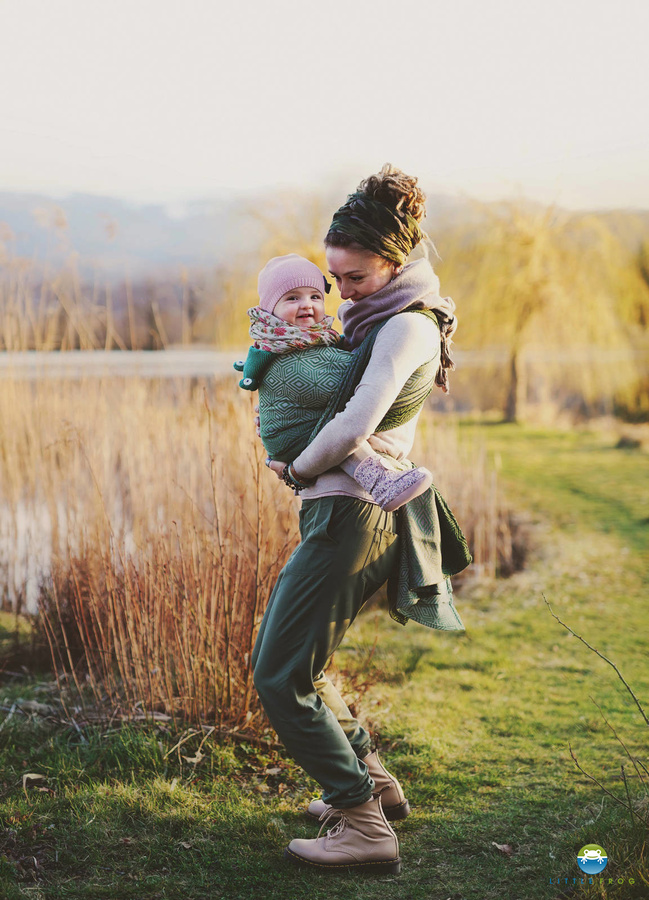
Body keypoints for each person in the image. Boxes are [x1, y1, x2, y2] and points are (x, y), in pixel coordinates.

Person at [251, 165, 470, 874]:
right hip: (343, 514)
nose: (339, 297)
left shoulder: (404, 327)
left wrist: (295, 468)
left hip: (353, 515)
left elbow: (354, 423)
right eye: (331, 281)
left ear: (395, 261)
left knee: (280, 674)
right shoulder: (379, 319)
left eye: (351, 281)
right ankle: (371, 785)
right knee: (303, 667)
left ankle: (363, 826)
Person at [234, 252, 434, 511]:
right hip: (292, 434)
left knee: (336, 427)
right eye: (293, 298)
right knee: (340, 429)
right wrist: (385, 359)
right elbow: (339, 382)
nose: (306, 305)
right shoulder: (287, 354)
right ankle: (382, 482)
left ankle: (384, 483)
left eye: (315, 297)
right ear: (270, 309)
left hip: (295, 429)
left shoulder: (311, 340)